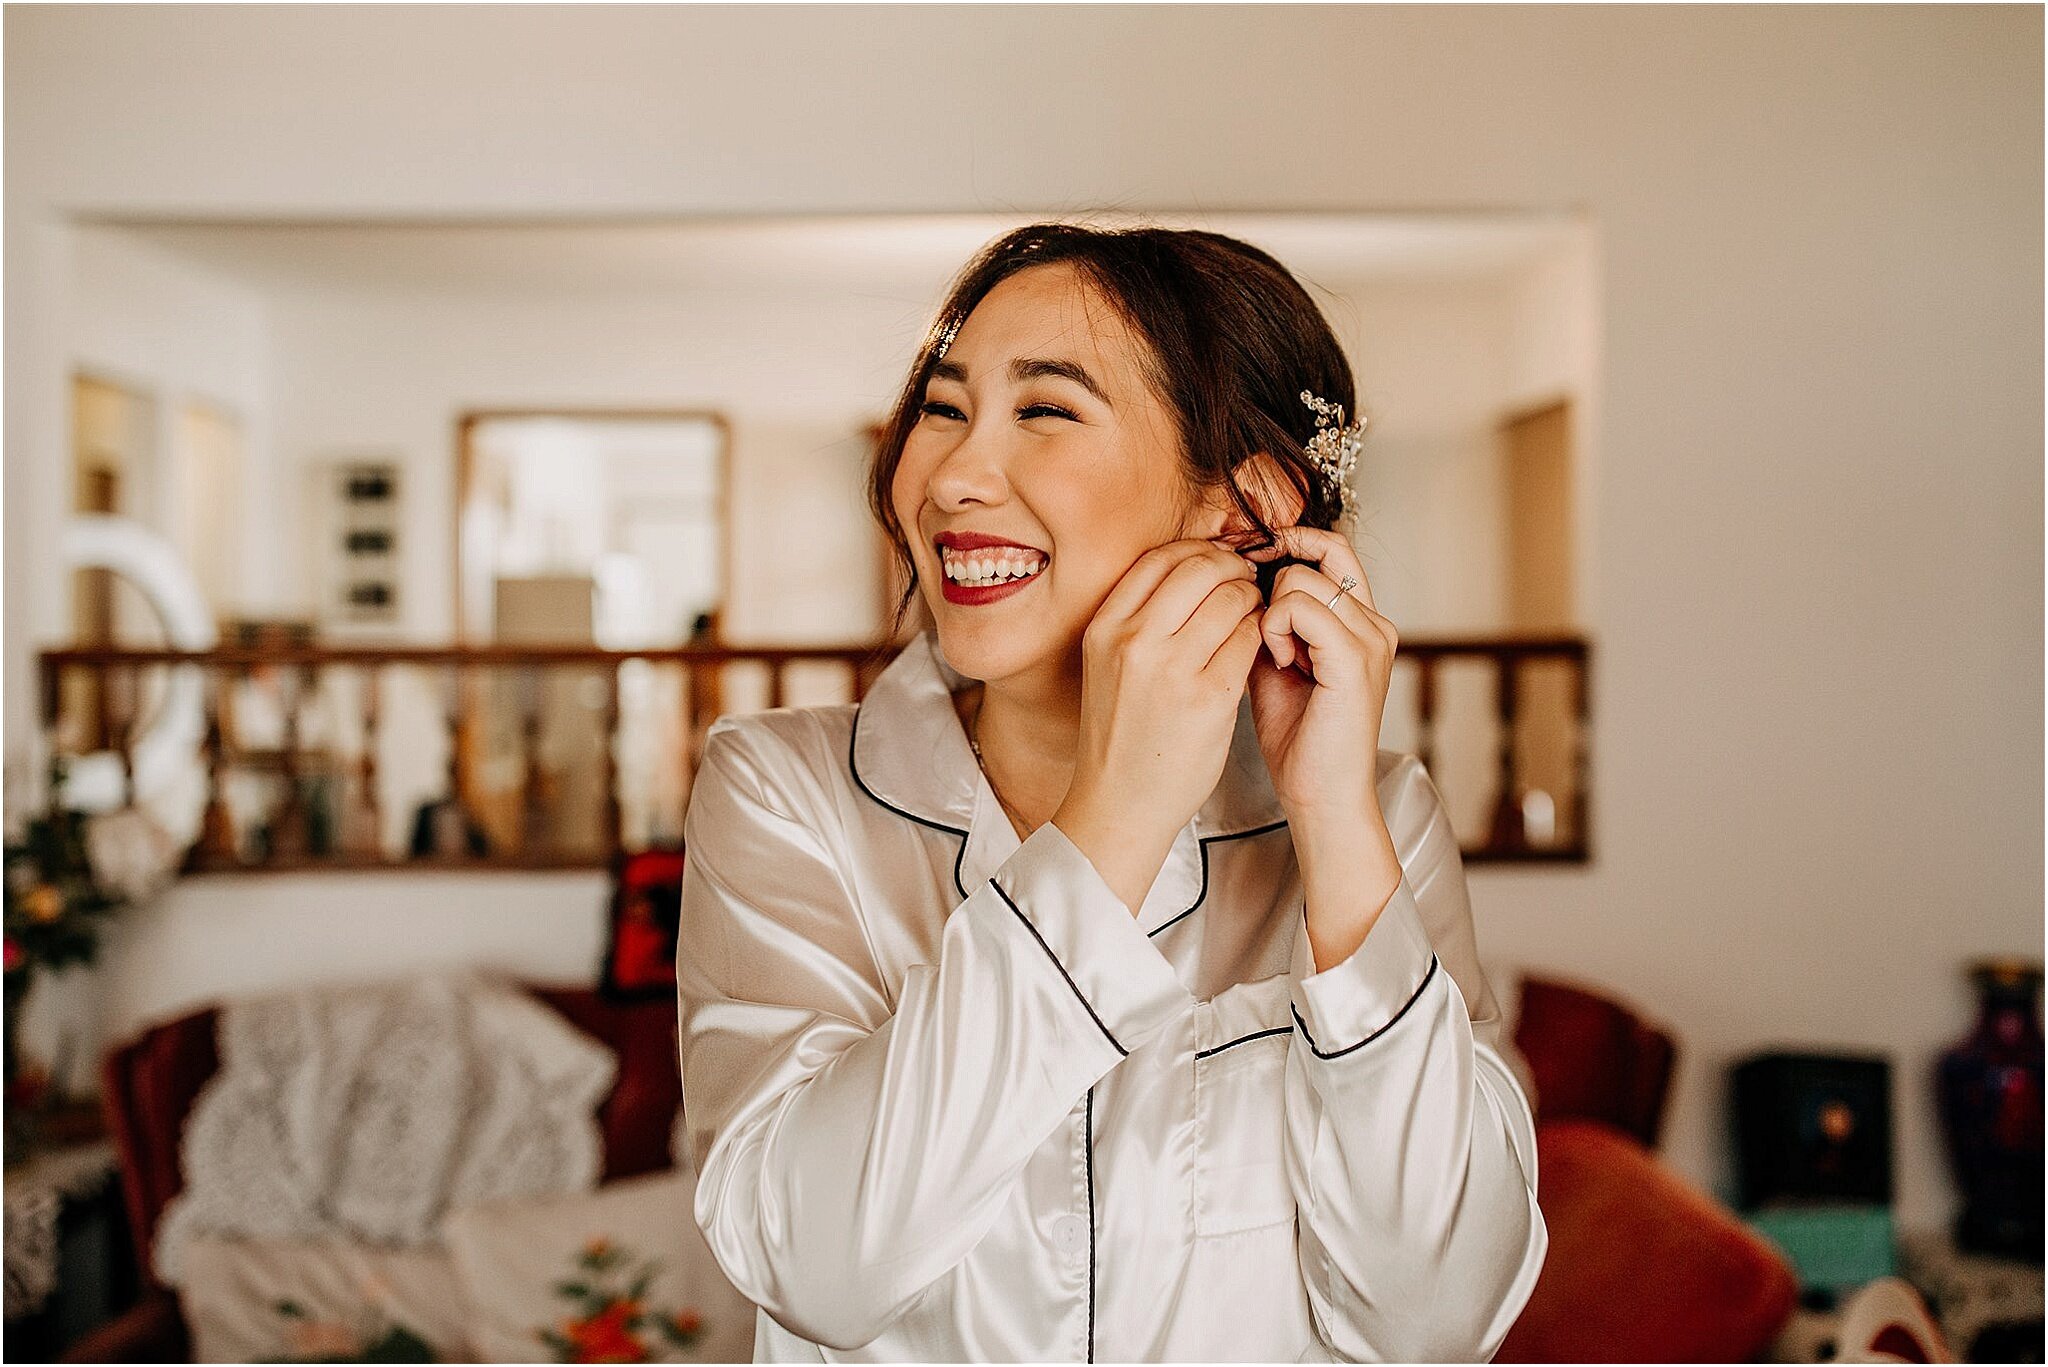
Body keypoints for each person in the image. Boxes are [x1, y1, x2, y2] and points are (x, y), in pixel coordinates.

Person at [675, 223, 1547, 1362]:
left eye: (1043, 411)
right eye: (943, 408)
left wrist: (1334, 815)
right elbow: (815, 1265)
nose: (948, 477)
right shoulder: (783, 792)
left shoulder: (1378, 817)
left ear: (1243, 506)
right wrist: (1115, 818)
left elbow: (1437, 1316)